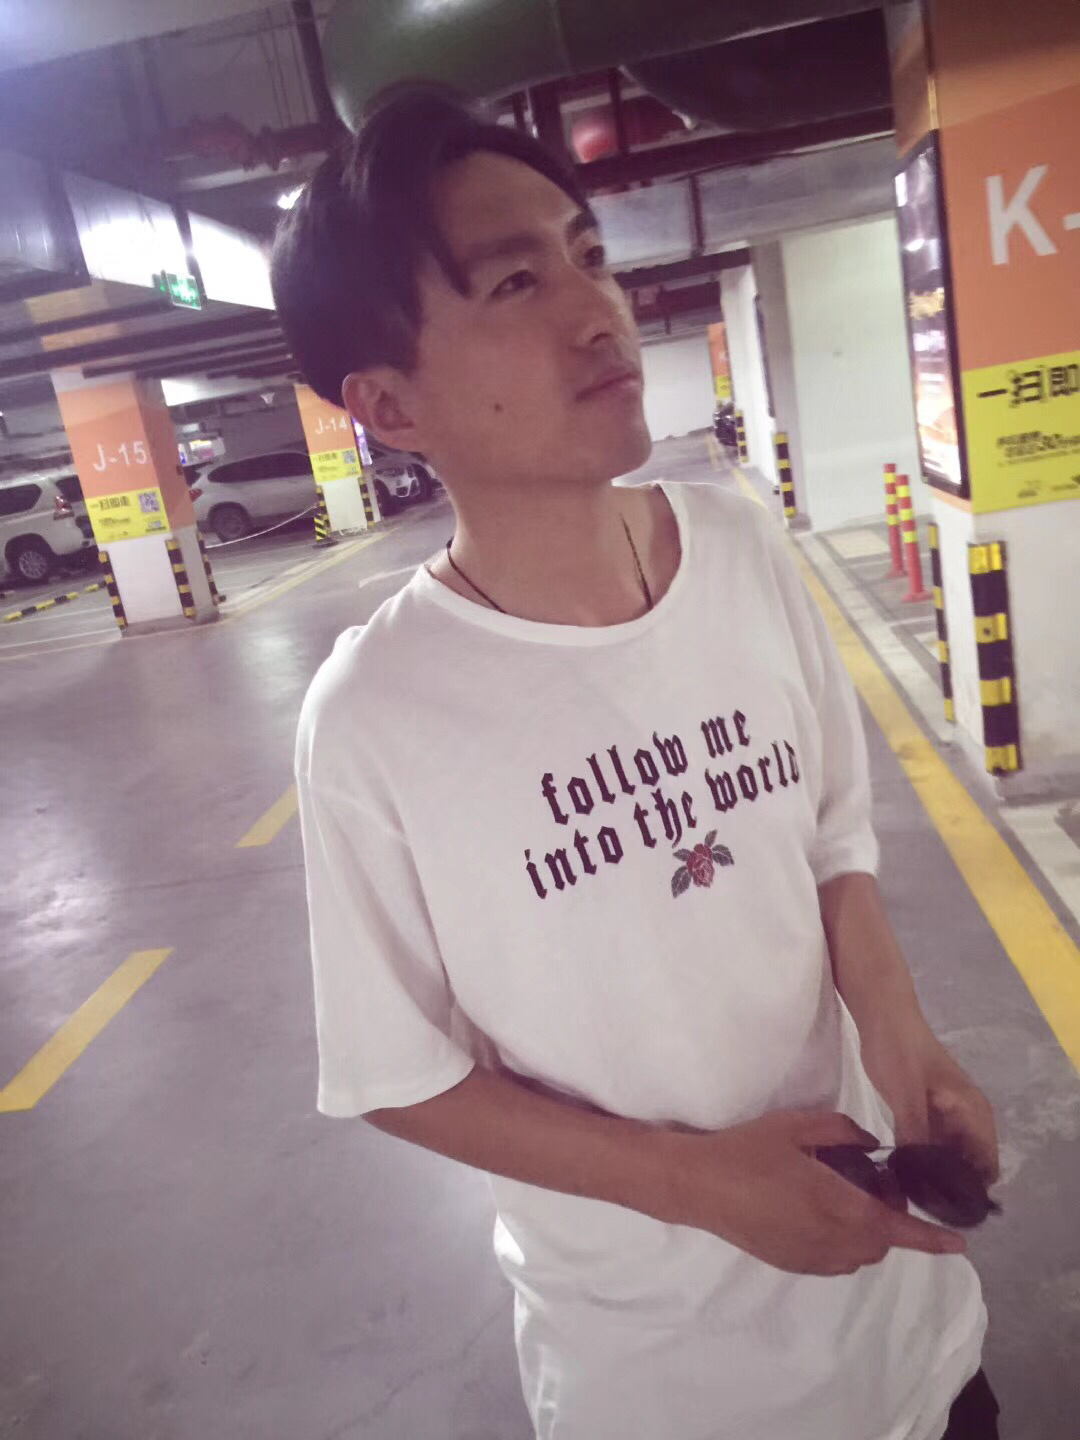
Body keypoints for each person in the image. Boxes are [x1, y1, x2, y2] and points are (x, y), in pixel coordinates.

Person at [271, 89, 1001, 1440]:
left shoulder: (738, 547)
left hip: (912, 1330)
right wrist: (697, 1184)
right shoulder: (377, 714)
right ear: (387, 403)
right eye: (515, 281)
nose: (596, 310)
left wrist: (902, 1044)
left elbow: (830, 840)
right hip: (666, 1385)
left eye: (589, 254)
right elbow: (397, 1073)